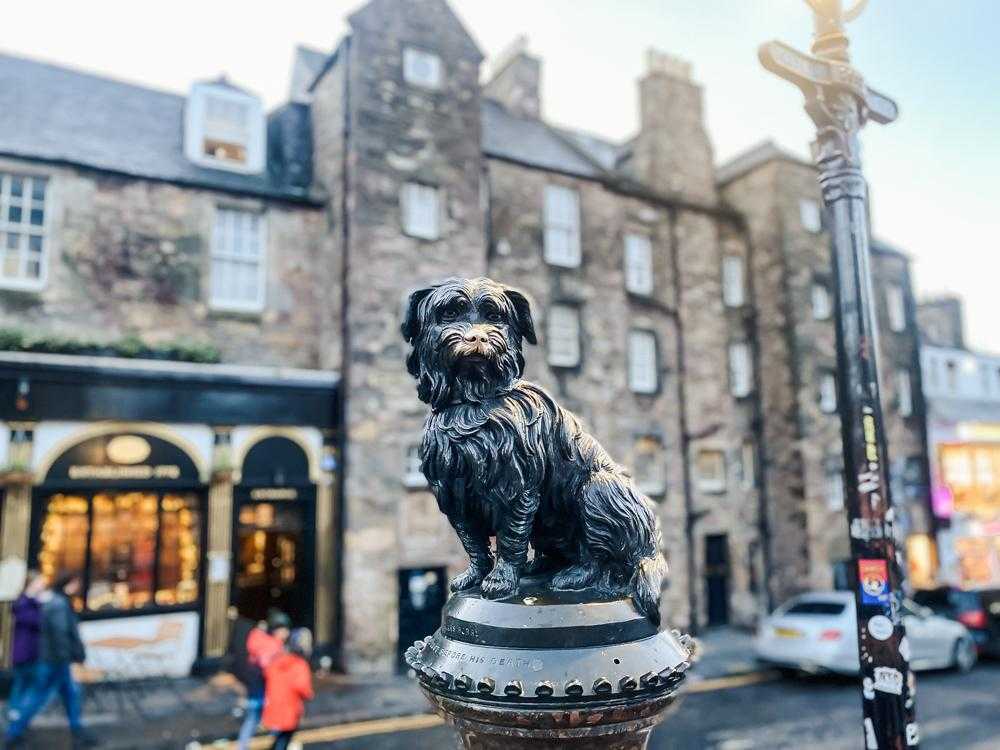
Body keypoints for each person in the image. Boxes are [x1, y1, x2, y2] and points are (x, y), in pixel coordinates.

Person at [4, 572, 96, 748]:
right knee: (36, 695)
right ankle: (14, 731)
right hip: (51, 659)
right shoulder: (54, 603)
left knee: (70, 693)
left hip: (49, 658)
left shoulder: (50, 602)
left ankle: (77, 730)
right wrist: (73, 654)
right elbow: (59, 632)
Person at [235, 610, 291, 749]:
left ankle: (242, 746)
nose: (286, 634)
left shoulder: (257, 636)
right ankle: (281, 743)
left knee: (254, 718)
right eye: (284, 630)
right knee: (269, 717)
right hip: (264, 687)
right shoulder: (273, 645)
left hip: (254, 685)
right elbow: (270, 667)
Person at [261, 627, 314, 750]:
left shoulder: (276, 661)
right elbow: (303, 687)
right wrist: (309, 694)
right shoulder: (300, 665)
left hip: (273, 706)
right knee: (284, 739)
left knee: (279, 738)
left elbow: (266, 674)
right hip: (290, 708)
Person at [7, 570, 46, 722]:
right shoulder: (24, 603)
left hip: (34, 651)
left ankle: (19, 710)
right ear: (31, 584)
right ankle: (16, 710)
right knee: (23, 682)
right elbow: (35, 621)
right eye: (39, 582)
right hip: (24, 651)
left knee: (28, 682)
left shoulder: (33, 602)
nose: (42, 585)